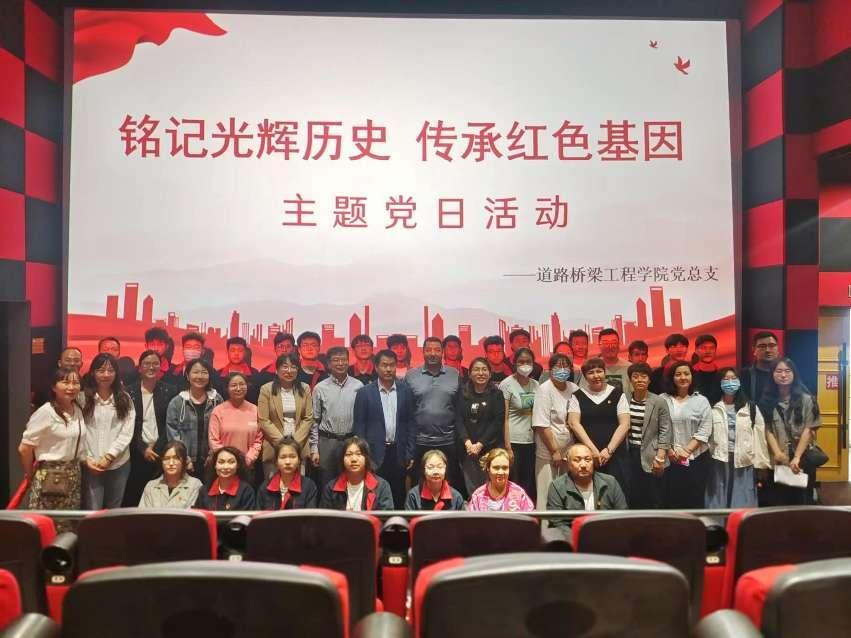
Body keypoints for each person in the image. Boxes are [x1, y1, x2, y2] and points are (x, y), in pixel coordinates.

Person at [19, 368, 86, 528]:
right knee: (48, 525)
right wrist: (30, 474)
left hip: (73, 475)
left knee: (68, 525)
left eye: (75, 382)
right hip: (50, 477)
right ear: (53, 387)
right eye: (65, 382)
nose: (71, 387)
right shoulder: (46, 412)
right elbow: (24, 448)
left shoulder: (77, 409)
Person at [352, 349, 415, 508]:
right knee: (373, 494)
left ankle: (397, 523)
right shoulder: (365, 393)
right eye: (384, 365)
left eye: (392, 365)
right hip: (373, 453)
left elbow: (411, 423)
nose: (388, 369)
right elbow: (359, 426)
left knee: (398, 493)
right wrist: (364, 455)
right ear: (376, 367)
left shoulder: (406, 391)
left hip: (398, 452)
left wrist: (410, 452)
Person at [568, 357, 631, 503]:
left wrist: (608, 450)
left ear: (604, 372)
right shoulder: (577, 396)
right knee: (589, 496)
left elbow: (625, 424)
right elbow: (574, 423)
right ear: (585, 376)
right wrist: (593, 451)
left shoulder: (618, 394)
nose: (596, 375)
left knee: (617, 495)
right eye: (591, 372)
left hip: (616, 455)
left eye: (599, 371)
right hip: (587, 457)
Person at [705, 368, 770, 508]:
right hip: (719, 461)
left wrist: (761, 464)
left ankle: (740, 522)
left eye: (733, 378)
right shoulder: (711, 407)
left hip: (744, 460)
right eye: (726, 379)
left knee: (742, 499)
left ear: (739, 382)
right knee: (717, 498)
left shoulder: (751, 407)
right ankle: (717, 522)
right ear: (719, 383)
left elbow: (759, 438)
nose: (730, 382)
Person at [762, 357, 821, 505]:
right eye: (779, 371)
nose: (783, 375)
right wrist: (778, 454)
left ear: (794, 374)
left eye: (788, 371)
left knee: (803, 501)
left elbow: (809, 429)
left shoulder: (807, 399)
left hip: (802, 459)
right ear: (772, 375)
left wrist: (797, 457)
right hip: (778, 460)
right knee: (779, 502)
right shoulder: (766, 401)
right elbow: (767, 430)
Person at [80, 353, 135, 509]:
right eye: (101, 370)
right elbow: (77, 432)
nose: (106, 374)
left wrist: (110, 456)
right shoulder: (82, 398)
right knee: (93, 509)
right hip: (91, 463)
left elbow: (127, 432)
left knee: (114, 509)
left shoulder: (124, 398)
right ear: (93, 372)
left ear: (116, 373)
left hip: (119, 463)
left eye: (110, 370)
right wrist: (87, 459)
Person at [123, 350, 178, 506]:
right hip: (136, 452)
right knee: (135, 495)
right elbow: (127, 425)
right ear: (140, 368)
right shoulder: (128, 392)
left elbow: (170, 423)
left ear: (161, 367)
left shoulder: (170, 390)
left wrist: (157, 446)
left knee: (160, 497)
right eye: (147, 363)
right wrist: (143, 448)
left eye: (155, 363)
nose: (151, 367)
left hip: (162, 451)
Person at [406, 337, 463, 487]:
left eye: (437, 350)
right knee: (419, 485)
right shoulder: (411, 376)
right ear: (423, 352)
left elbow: (459, 410)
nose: (433, 353)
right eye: (428, 350)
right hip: (420, 442)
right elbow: (407, 412)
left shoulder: (454, 374)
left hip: (448, 441)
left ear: (442, 352)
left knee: (449, 485)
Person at [659, 361, 712, 509]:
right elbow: (657, 427)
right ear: (672, 378)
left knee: (694, 502)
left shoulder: (701, 400)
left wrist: (687, 451)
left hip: (696, 460)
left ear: (692, 377)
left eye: (686, 374)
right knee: (669, 502)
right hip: (669, 459)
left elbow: (705, 429)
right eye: (678, 374)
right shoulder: (662, 399)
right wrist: (669, 450)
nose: (683, 377)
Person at [547, 443, 628, 536]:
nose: (583, 465)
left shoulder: (610, 482)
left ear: (593, 462)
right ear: (568, 464)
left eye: (587, 459)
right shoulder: (557, 486)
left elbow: (622, 515)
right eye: (577, 460)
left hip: (606, 537)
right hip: (572, 540)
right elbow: (556, 523)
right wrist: (578, 539)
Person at [531, 353, 579, 510]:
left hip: (570, 451)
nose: (562, 369)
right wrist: (554, 451)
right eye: (558, 366)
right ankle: (545, 526)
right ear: (550, 369)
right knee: (547, 493)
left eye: (566, 366)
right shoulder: (544, 390)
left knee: (567, 493)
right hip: (549, 452)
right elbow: (541, 424)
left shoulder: (574, 388)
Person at [311, 346, 364, 488]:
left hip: (350, 441)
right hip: (327, 442)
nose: (340, 363)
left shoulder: (359, 386)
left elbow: (362, 418)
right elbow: (314, 421)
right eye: (336, 360)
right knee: (327, 483)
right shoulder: (320, 388)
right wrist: (314, 449)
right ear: (328, 364)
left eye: (344, 360)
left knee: (351, 482)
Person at [257, 352, 315, 480]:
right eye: (285, 367)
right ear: (277, 370)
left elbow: (308, 418)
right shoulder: (266, 389)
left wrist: (295, 443)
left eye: (293, 367)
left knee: (298, 486)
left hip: (299, 446)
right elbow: (263, 420)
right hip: (274, 447)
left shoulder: (305, 388)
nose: (289, 371)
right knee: (273, 486)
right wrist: (282, 443)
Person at [625, 362, 671, 509]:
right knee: (632, 493)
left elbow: (665, 430)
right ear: (630, 379)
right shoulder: (624, 399)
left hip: (652, 453)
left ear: (650, 380)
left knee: (653, 495)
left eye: (644, 376)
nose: (639, 380)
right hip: (629, 453)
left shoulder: (659, 402)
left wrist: (660, 457)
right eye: (635, 376)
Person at [456, 357, 505, 496]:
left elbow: (497, 422)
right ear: (470, 374)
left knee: (490, 489)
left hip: (489, 449)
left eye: (484, 370)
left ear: (490, 374)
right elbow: (458, 419)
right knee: (472, 490)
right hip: (467, 450)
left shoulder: (497, 394)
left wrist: (480, 444)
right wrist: (467, 442)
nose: (481, 373)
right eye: (476, 370)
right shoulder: (462, 393)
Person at [166, 358, 223, 475]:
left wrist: (214, 454)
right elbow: (172, 433)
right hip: (185, 461)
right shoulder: (177, 402)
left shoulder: (217, 400)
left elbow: (223, 430)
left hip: (212, 461)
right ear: (187, 376)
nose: (200, 376)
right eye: (195, 372)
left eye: (204, 372)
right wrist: (184, 458)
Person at [500, 347, 539, 501]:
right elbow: (504, 418)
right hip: (514, 441)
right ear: (514, 363)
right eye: (521, 362)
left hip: (532, 441)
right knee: (514, 483)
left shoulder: (536, 385)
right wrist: (508, 447)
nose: (525, 365)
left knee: (529, 484)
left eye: (528, 362)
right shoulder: (507, 384)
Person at [209, 373, 263, 480]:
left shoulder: (255, 410)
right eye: (234, 385)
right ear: (227, 388)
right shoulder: (218, 411)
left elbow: (258, 440)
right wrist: (227, 462)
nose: (238, 388)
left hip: (247, 467)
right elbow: (214, 440)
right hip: (223, 468)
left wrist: (246, 461)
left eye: (242, 384)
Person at [319, 436, 394, 510]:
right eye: (348, 454)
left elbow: (386, 516)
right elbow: (325, 517)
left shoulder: (381, 486)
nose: (354, 459)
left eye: (359, 454)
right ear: (342, 459)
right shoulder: (331, 488)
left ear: (366, 458)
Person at [256, 437, 319, 509]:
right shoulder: (265, 488)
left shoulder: (309, 487)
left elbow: (310, 515)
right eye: (283, 457)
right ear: (276, 461)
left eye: (292, 457)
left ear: (299, 460)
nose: (287, 462)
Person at [138, 440, 202, 508]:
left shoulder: (195, 485)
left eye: (176, 458)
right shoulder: (151, 486)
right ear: (162, 462)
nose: (171, 463)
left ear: (184, 461)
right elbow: (143, 513)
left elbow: (192, 513)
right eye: (166, 458)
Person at [467, 448, 534, 512]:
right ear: (488, 468)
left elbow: (530, 517)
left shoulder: (519, 493)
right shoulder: (478, 496)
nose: (501, 472)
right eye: (496, 468)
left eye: (505, 468)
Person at [196, 446, 256, 510]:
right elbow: (197, 514)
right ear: (215, 465)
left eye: (231, 462)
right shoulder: (204, 490)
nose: (225, 467)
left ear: (238, 465)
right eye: (221, 462)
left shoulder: (246, 491)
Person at [583, 328, 631, 394]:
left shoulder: (629, 367)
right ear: (599, 345)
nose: (610, 346)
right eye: (605, 343)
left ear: (619, 344)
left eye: (614, 343)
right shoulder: (589, 368)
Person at [741, 331, 781, 407]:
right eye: (762, 346)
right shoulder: (743, 375)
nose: (768, 350)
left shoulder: (787, 373)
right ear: (754, 350)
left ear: (777, 349)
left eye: (772, 345)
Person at [692, 334, 722, 406]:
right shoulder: (690, 374)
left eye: (712, 348)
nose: (708, 351)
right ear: (696, 350)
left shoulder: (722, 374)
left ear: (716, 350)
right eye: (703, 348)